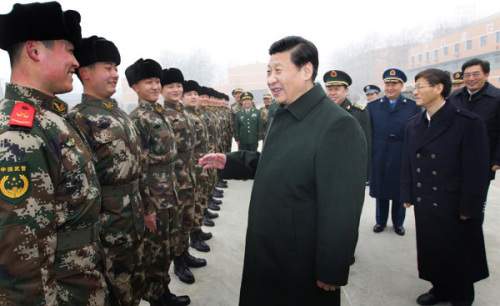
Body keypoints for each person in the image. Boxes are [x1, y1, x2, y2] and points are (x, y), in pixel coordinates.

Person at [199, 36, 367, 306]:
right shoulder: (283, 113)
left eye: (278, 70)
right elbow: (277, 162)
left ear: (306, 71)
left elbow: (342, 207)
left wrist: (332, 267)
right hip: (269, 248)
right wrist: (231, 162)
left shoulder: (337, 125)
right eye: (268, 71)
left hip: (299, 260)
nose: (270, 79)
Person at [0, 2, 109, 305]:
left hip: (82, 281)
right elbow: (22, 263)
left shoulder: (53, 119)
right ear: (35, 51)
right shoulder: (20, 134)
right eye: (69, 50)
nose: (76, 62)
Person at [401, 68, 489, 306]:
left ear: (439, 88)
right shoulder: (414, 125)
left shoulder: (467, 123)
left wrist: (470, 205)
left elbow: (477, 170)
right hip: (426, 200)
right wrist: (408, 192)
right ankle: (439, 288)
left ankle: (461, 295)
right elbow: (408, 162)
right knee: (432, 249)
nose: (415, 91)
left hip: (454, 201)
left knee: (458, 251)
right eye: (415, 87)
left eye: (420, 86)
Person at [70, 35, 145, 306]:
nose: (115, 74)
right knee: (113, 292)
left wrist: (145, 209)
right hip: (107, 230)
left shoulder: (122, 115)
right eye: (108, 67)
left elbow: (138, 169)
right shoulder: (78, 119)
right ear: (85, 72)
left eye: (116, 68)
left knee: (133, 286)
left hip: (133, 220)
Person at [126, 58, 191, 306]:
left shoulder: (158, 113)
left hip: (169, 191)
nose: (155, 86)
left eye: (156, 81)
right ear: (135, 87)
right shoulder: (139, 119)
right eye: (148, 82)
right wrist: (148, 208)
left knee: (166, 248)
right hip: (155, 196)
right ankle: (157, 297)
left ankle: (163, 291)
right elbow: (140, 168)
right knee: (155, 252)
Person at [161, 68, 203, 285]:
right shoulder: (163, 116)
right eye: (171, 86)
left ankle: (185, 252)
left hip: (189, 174)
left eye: (179, 86)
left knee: (187, 218)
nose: (176, 90)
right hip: (175, 179)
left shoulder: (186, 113)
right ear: (162, 90)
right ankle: (178, 262)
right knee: (176, 223)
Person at [367, 68, 420, 236]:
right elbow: (368, 132)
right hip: (380, 152)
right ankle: (380, 222)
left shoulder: (412, 107)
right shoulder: (373, 106)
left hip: (401, 153)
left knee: (399, 190)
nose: (390, 87)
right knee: (381, 190)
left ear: (402, 85)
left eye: (394, 84)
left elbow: (417, 132)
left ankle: (398, 223)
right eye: (387, 84)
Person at [448, 58, 500, 182]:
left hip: (483, 158)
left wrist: (497, 159)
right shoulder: (454, 98)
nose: (471, 78)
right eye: (467, 75)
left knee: (476, 198)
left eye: (476, 74)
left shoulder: (497, 98)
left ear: (486, 75)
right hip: (454, 159)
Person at [323, 70, 371, 181]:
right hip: (325, 172)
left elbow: (366, 148)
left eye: (337, 89)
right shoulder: (319, 113)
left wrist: (365, 176)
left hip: (349, 173)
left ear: (346, 90)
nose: (333, 93)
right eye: (330, 89)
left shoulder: (359, 114)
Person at [182, 80, 213, 251]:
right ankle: (194, 236)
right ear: (182, 97)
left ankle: (198, 229)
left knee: (200, 199)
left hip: (202, 165)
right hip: (192, 168)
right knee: (194, 203)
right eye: (190, 94)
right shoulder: (185, 117)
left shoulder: (196, 115)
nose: (194, 97)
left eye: (195, 94)